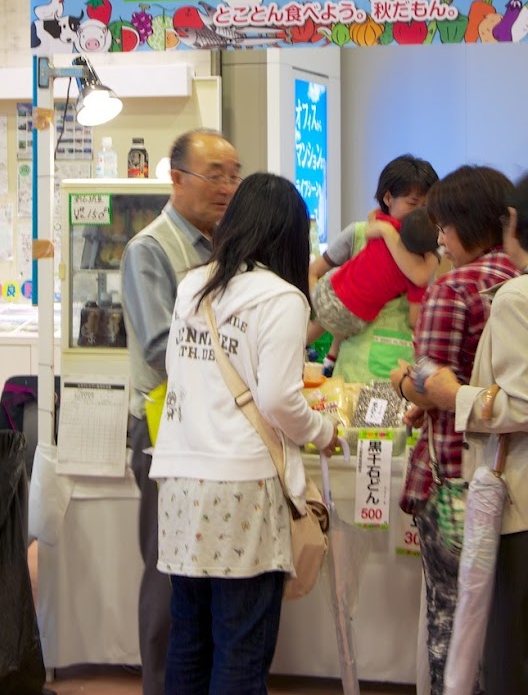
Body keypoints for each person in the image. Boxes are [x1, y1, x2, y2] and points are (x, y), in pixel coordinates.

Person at [399, 168, 528, 694]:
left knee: (514, 653)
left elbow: (527, 404)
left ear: (513, 222)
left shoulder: (519, 297)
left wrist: (451, 394)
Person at [149, 173, 339, 693]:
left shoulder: (194, 283)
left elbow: (178, 370)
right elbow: (280, 398)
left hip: (180, 479)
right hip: (240, 487)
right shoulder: (281, 298)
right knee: (242, 640)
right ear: (290, 236)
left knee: (190, 634)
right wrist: (322, 431)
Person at [122, 127, 241, 695]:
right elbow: (158, 345)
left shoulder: (224, 246)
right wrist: (241, 365)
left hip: (212, 428)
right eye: (213, 174)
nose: (226, 187)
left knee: (207, 568)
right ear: (176, 178)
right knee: (168, 570)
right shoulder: (151, 250)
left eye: (233, 175)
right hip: (161, 428)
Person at [391, 165, 518, 691]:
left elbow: (431, 381)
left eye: (444, 227)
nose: (439, 239)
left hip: (453, 477)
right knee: (500, 626)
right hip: (513, 477)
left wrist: (404, 382)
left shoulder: (454, 287)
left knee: (449, 620)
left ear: (467, 223)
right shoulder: (521, 277)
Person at [310, 154, 438, 378]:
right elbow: (314, 271)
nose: (419, 212)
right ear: (388, 198)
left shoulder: (427, 251)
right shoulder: (360, 232)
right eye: (412, 203)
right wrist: (330, 311)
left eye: (426, 205)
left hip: (398, 373)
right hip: (352, 370)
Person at [306, 207, 438, 345]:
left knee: (326, 307)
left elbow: (372, 217)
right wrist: (433, 258)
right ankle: (331, 357)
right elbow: (414, 320)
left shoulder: (388, 227)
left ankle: (322, 352)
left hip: (327, 294)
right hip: (350, 323)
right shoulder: (417, 278)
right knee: (341, 330)